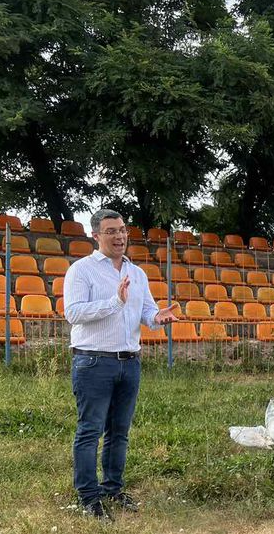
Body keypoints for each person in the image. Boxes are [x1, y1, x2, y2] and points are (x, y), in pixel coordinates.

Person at [63, 209, 179, 521]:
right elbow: (73, 313)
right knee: (90, 431)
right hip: (93, 361)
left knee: (120, 431)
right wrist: (115, 302)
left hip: (130, 362)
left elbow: (146, 312)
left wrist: (159, 317)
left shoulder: (137, 273)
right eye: (111, 231)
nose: (119, 236)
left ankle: (112, 488)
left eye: (123, 230)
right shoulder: (81, 271)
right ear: (96, 236)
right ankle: (89, 497)